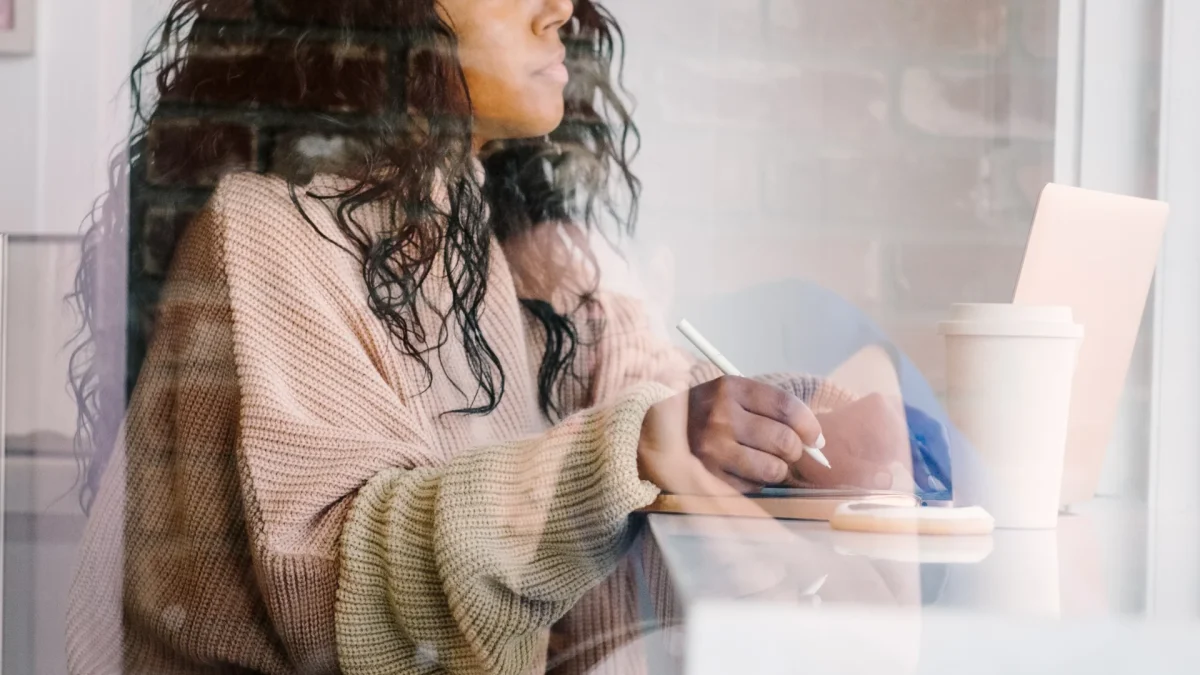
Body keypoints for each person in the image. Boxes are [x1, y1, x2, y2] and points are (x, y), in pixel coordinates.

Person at [65, 2, 910, 674]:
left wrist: (801, 417)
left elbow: (640, 382)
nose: (561, 10)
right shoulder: (267, 231)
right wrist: (636, 450)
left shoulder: (496, 240)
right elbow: (320, 576)